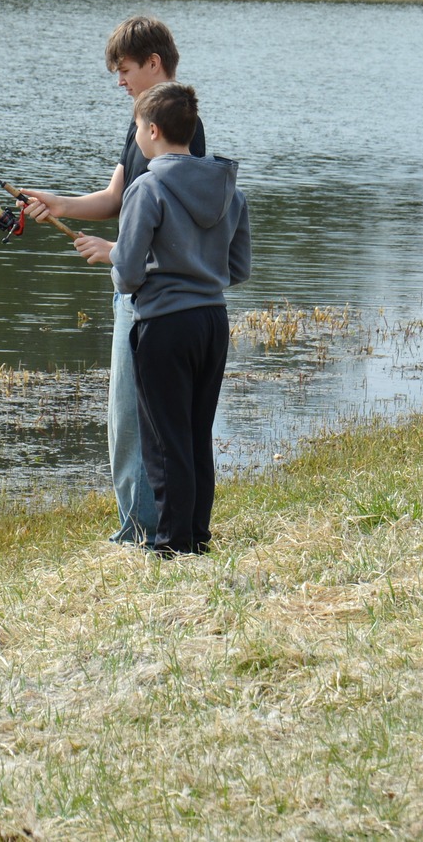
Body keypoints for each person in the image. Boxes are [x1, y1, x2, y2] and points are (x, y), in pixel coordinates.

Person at [19, 17, 206, 545]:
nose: (120, 80)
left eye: (125, 70)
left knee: (132, 419)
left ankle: (144, 531)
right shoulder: (141, 124)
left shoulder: (175, 131)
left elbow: (168, 227)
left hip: (148, 293)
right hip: (136, 286)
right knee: (127, 419)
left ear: (153, 63)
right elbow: (117, 199)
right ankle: (144, 526)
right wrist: (56, 203)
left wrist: (116, 253)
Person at [77, 83, 249, 556]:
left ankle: (170, 544)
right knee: (196, 433)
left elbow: (128, 274)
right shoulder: (228, 189)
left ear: (151, 131)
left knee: (161, 438)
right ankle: (196, 534)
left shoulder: (146, 187)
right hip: (213, 322)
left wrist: (118, 262)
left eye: (135, 128)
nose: (135, 136)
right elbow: (239, 268)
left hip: (164, 326)